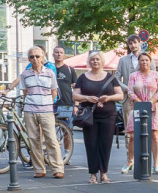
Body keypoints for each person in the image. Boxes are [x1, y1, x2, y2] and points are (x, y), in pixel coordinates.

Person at [10, 46, 65, 179]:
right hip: (30, 110)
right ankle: (39, 169)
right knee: (34, 140)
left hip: (46, 110)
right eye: (31, 57)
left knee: (51, 139)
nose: (35, 59)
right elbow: (25, 92)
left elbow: (54, 91)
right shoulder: (25, 74)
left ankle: (57, 168)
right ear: (29, 59)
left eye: (37, 56)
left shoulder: (50, 73)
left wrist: (47, 103)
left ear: (43, 56)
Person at [74, 50, 124, 183]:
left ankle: (104, 173)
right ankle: (93, 174)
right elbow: (75, 95)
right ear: (89, 62)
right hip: (89, 116)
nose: (95, 61)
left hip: (108, 115)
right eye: (93, 59)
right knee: (91, 144)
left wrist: (108, 98)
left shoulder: (111, 78)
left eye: (97, 59)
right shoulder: (83, 78)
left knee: (106, 144)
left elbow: (120, 95)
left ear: (102, 61)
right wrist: (87, 98)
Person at [124, 51, 158, 175]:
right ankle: (130, 161)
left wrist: (149, 103)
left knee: (154, 135)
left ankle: (156, 163)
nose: (144, 62)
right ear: (139, 62)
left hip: (153, 107)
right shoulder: (133, 75)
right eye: (142, 60)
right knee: (132, 136)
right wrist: (140, 103)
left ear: (150, 62)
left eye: (147, 60)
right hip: (137, 106)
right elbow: (130, 92)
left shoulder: (156, 75)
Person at [116, 37, 145, 175]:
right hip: (128, 98)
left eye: (135, 43)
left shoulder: (147, 58)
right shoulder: (123, 60)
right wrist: (126, 87)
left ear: (140, 43)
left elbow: (153, 76)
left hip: (144, 98)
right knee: (129, 130)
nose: (133, 45)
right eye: (130, 43)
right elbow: (116, 78)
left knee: (145, 129)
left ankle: (144, 159)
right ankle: (130, 159)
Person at [52, 45, 77, 132]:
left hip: (66, 105)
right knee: (49, 132)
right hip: (50, 105)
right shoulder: (47, 69)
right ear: (53, 54)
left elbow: (76, 88)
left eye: (61, 52)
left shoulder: (70, 70)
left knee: (67, 132)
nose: (59, 54)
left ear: (64, 55)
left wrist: (76, 105)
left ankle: (67, 146)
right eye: (57, 52)